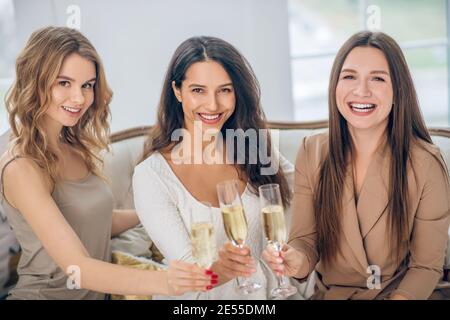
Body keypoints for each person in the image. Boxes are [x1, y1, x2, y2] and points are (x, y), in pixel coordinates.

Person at [0, 26, 213, 300]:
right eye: (63, 83)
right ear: (36, 81)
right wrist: (167, 282)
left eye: (87, 85)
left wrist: (167, 209)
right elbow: (80, 269)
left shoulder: (75, 146)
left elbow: (94, 220)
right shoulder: (21, 166)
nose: (79, 98)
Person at [263, 31, 450, 300]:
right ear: (335, 87)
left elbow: (425, 267)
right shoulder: (312, 151)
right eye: (349, 76)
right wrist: (295, 259)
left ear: (399, 90)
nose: (361, 91)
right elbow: (305, 241)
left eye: (377, 78)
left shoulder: (425, 163)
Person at [132, 36, 302, 299]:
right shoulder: (151, 176)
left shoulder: (253, 147)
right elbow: (190, 275)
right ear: (177, 91)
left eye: (225, 90)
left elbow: (307, 189)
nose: (213, 105)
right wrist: (224, 268)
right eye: (198, 90)